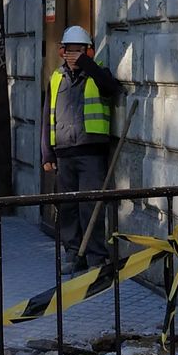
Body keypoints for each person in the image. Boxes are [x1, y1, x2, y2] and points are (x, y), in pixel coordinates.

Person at [41, 25, 122, 272]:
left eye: (78, 51)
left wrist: (87, 64)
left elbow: (111, 88)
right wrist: (47, 153)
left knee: (91, 205)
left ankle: (96, 257)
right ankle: (73, 254)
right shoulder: (56, 78)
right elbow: (47, 117)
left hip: (91, 153)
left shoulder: (98, 74)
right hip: (64, 153)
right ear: (62, 51)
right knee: (68, 207)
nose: (73, 56)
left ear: (89, 52)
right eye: (69, 51)